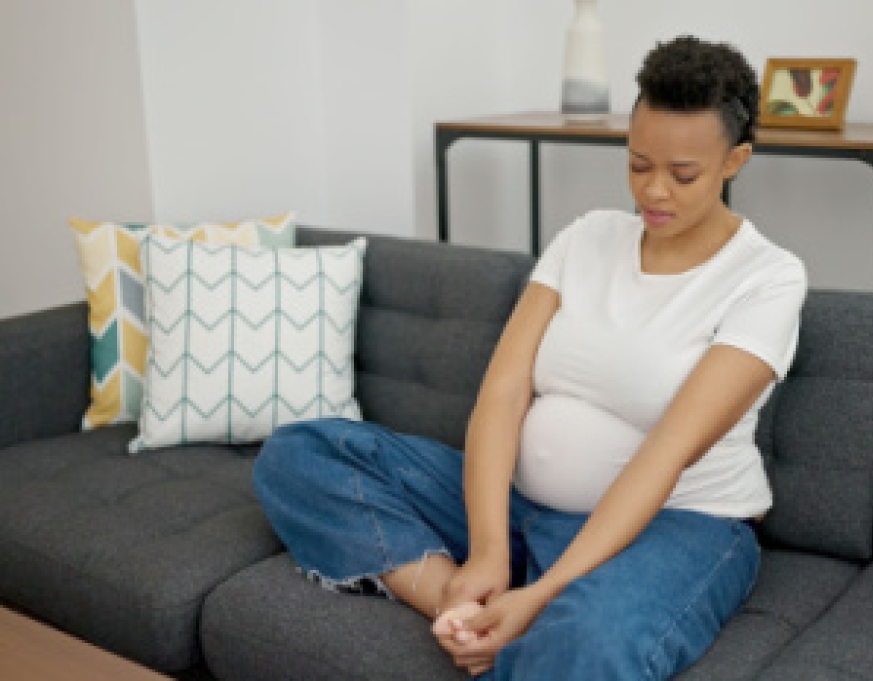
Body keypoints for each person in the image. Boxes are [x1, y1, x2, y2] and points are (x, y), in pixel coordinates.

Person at [253, 35, 807, 680]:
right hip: (522, 511)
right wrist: (487, 553)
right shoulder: (585, 238)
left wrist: (542, 594)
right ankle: (462, 611)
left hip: (677, 523)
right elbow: (503, 394)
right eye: (638, 164)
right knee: (301, 454)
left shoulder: (767, 278)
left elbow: (669, 451)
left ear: (735, 161)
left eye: (683, 175)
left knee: (593, 642)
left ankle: (528, 620)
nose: (654, 191)